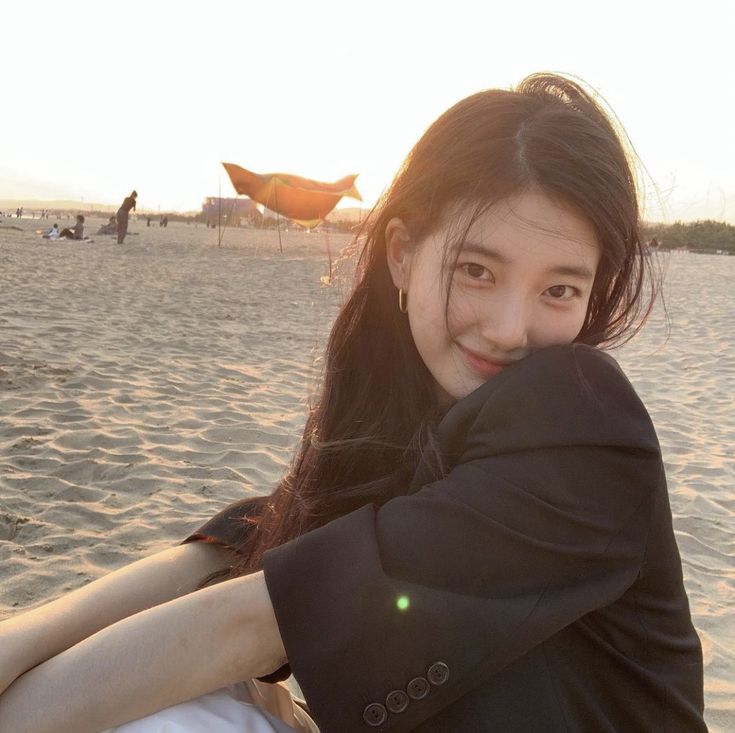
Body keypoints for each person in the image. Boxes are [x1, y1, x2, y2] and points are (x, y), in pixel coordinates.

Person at [0, 73, 707, 733]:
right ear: (402, 254)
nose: (509, 328)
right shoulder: (401, 424)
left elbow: (258, 617)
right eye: (476, 270)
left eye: (559, 289)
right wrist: (23, 637)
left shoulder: (583, 422)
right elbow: (245, 547)